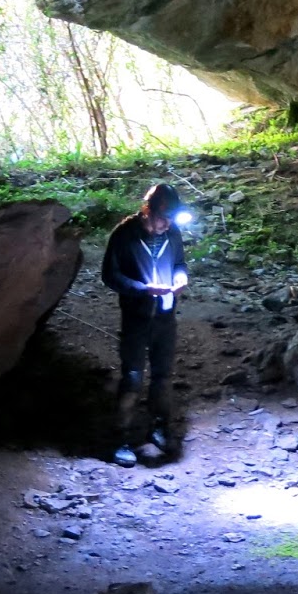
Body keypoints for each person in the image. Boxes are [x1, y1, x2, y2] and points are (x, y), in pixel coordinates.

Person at [101, 182, 189, 466]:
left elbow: (180, 263)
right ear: (147, 210)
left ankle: (159, 428)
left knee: (163, 375)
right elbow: (110, 276)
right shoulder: (124, 234)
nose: (167, 224)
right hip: (137, 318)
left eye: (171, 218)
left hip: (165, 317)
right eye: (163, 217)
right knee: (133, 377)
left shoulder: (172, 233)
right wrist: (142, 289)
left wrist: (180, 278)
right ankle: (121, 438)